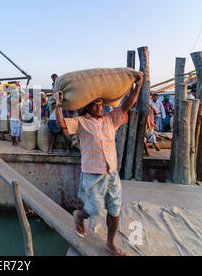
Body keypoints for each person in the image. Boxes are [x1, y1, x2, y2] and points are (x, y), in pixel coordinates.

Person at [55, 72, 143, 256]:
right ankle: (80, 215)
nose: (100, 107)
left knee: (115, 208)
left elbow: (127, 105)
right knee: (95, 210)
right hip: (92, 173)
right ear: (87, 107)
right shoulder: (81, 122)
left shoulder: (110, 119)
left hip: (111, 172)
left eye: (102, 104)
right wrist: (57, 106)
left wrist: (138, 86)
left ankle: (110, 243)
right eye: (96, 104)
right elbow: (63, 126)